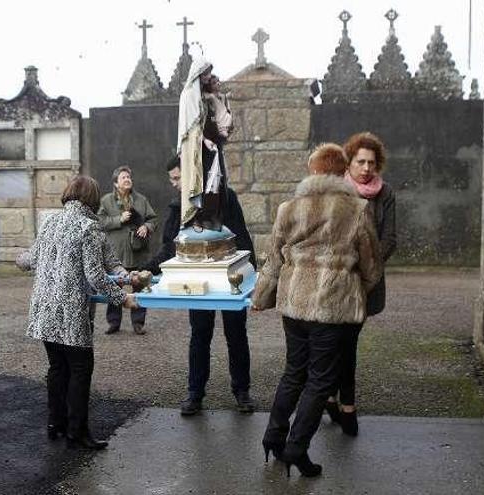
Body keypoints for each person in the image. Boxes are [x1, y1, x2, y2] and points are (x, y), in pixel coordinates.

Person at [252, 143, 381, 477]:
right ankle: (296, 448)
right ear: (342, 172)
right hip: (333, 305)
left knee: (294, 372)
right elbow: (370, 264)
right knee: (321, 380)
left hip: (294, 305)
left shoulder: (288, 208)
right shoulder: (356, 209)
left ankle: (273, 438)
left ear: (313, 171)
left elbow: (273, 258)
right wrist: (360, 291)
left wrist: (261, 296)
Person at [18, 176, 138, 449]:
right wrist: (123, 299)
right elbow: (96, 276)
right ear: (93, 200)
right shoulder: (89, 228)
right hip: (72, 313)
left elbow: (31, 260)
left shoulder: (50, 222)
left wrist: (19, 258)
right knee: (80, 370)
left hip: (45, 311)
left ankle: (55, 424)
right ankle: (77, 432)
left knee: (57, 368)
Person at [143, 157, 257, 415]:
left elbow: (242, 235)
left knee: (236, 335)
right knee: (200, 335)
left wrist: (251, 276)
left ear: (191, 174)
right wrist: (147, 269)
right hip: (196, 280)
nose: (174, 184)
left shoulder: (225, 197)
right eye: (171, 179)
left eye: (176, 178)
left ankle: (242, 391)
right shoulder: (179, 205)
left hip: (230, 279)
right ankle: (195, 393)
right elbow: (170, 247)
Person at [324, 132, 397, 436]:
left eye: (372, 162)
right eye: (360, 161)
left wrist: (365, 270)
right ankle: (341, 404)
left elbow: (389, 239)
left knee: (347, 343)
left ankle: (340, 402)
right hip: (337, 281)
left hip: (365, 282)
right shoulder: (336, 191)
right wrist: (345, 268)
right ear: (349, 162)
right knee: (336, 343)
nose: (366, 168)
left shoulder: (385, 194)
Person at [177, 56, 235, 231]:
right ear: (198, 74)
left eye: (209, 74)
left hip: (209, 147)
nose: (208, 77)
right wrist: (204, 140)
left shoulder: (204, 96)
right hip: (196, 148)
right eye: (205, 74)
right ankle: (196, 218)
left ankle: (212, 216)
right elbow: (191, 126)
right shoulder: (188, 95)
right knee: (200, 182)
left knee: (215, 180)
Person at [97, 166, 157, 335]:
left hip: (138, 252)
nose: (127, 179)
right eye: (123, 177)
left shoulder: (141, 200)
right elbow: (99, 222)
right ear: (116, 183)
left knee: (139, 286)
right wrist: (118, 219)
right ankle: (114, 322)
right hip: (116, 255)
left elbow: (153, 219)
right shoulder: (106, 201)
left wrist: (147, 226)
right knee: (115, 286)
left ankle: (138, 323)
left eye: (129, 177)